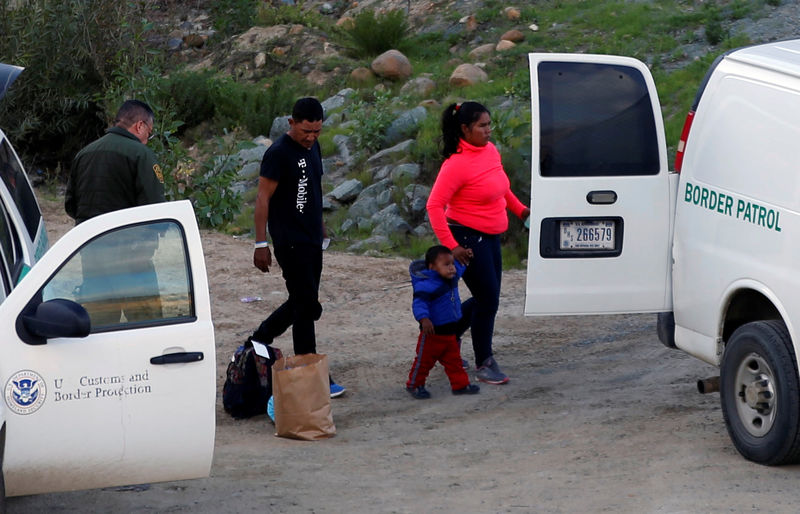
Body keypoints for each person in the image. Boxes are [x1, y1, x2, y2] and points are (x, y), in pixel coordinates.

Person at [426, 101, 531, 385]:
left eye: (489, 124)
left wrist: (522, 210)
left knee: (489, 298)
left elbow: (502, 188)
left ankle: (444, 338)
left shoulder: (490, 151)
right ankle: (484, 362)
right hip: (467, 240)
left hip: (491, 237)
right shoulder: (456, 164)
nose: (488, 130)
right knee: (488, 300)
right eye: (482, 126)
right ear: (465, 129)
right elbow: (434, 206)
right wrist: (452, 246)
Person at [250, 97, 345, 398]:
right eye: (306, 131)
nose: (311, 137)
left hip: (311, 239)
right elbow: (263, 198)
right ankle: (313, 374)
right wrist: (260, 243)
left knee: (303, 304)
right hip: (289, 241)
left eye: (317, 131)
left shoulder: (312, 147)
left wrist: (320, 224)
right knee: (306, 303)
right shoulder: (277, 154)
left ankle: (261, 341)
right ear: (291, 123)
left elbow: (313, 188)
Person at [65, 99, 165, 326]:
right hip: (132, 259)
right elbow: (155, 209)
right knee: (146, 323)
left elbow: (71, 205)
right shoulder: (141, 154)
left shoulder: (84, 154)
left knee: (99, 324)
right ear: (140, 126)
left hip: (91, 255)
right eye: (149, 132)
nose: (148, 138)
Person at [406, 245, 480, 399]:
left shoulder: (450, 277)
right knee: (423, 363)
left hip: (450, 334)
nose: (452, 268)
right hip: (432, 335)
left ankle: (460, 385)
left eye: (452, 263)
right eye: (446, 265)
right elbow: (419, 304)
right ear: (432, 267)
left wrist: (465, 256)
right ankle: (414, 385)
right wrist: (424, 319)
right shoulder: (426, 285)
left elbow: (460, 267)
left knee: (454, 362)